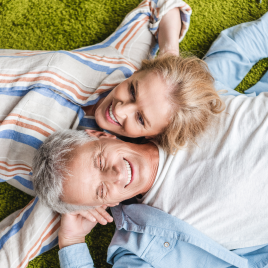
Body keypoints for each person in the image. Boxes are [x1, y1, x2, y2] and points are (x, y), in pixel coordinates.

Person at [38, 12, 268, 268]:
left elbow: (243, 45)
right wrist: (71, 240)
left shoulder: (185, 102)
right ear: (105, 204)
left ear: (100, 136)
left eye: (100, 161)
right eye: (101, 190)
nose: (114, 174)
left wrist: (170, 47)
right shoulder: (139, 247)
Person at [0, 0, 195, 267]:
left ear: (152, 135)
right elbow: (159, 5)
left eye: (140, 119)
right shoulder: (122, 65)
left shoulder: (78, 191)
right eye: (134, 92)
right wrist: (170, 54)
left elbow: (12, 250)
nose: (122, 110)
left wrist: (73, 234)